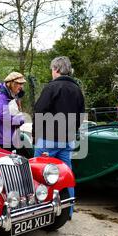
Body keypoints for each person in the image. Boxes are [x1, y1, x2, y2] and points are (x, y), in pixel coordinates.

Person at [33, 56, 85, 215]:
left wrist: (36, 133)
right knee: (66, 175)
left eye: (51, 70)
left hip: (48, 139)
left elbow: (39, 111)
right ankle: (68, 211)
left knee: (39, 173)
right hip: (67, 139)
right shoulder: (77, 89)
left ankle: (39, 211)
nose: (51, 73)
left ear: (56, 69)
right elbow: (80, 115)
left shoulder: (51, 87)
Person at [0, 72, 26, 152]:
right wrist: (19, 120)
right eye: (19, 83)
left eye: (22, 84)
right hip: (0, 139)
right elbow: (2, 115)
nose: (21, 87)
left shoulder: (10, 95)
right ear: (12, 83)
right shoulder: (1, 96)